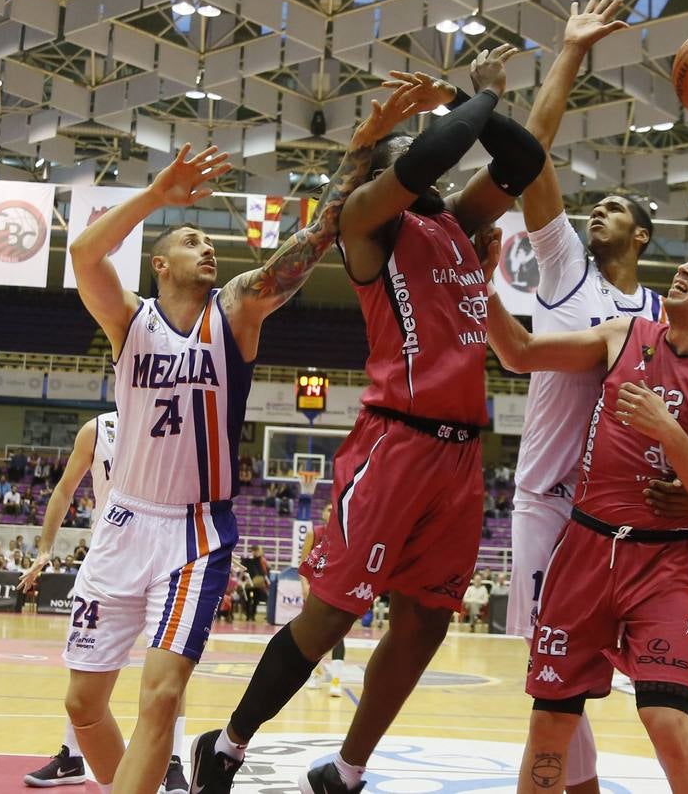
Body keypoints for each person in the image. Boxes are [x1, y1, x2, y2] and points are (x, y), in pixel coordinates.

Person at [191, 43, 547, 794]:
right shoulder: (366, 223)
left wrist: (473, 97)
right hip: (396, 443)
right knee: (329, 617)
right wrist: (474, 95)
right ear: (386, 173)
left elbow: (522, 160)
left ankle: (347, 771)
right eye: (406, 163)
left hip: (461, 456)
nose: (432, 171)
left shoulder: (455, 221)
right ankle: (224, 747)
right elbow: (431, 156)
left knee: (427, 621)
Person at [58, 84, 419, 794]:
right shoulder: (129, 321)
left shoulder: (238, 312)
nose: (207, 248)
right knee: (82, 706)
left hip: (195, 533)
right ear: (159, 263)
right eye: (191, 240)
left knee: (160, 697)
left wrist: (358, 152)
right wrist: (158, 197)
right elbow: (83, 253)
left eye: (209, 241)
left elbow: (314, 241)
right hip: (123, 522)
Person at [502, 0, 688, 794]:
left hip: (631, 523)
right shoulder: (564, 271)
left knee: (604, 693)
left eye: (613, 207)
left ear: (641, 236)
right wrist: (572, 51)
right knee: (561, 690)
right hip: (552, 505)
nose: (595, 210)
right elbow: (526, 157)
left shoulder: (660, 317)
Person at [481, 242, 688, 794]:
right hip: (585, 550)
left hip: (662, 563)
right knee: (549, 723)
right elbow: (518, 352)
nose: (684, 268)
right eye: (687, 261)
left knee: (666, 720)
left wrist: (669, 430)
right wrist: (480, 282)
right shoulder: (623, 334)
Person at [17, 413, 189, 793]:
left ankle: (172, 761)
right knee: (84, 676)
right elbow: (63, 489)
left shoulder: (180, 417)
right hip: (109, 556)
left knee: (170, 667)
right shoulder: (98, 430)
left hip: (171, 555)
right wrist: (45, 550)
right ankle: (73, 756)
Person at [300, 503, 346, 696]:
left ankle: (336, 680)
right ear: (323, 514)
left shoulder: (346, 534)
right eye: (328, 509)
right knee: (312, 637)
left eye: (333, 509)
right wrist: (304, 586)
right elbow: (303, 564)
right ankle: (316, 674)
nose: (331, 511)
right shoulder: (314, 533)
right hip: (315, 590)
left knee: (338, 636)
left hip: (336, 590)